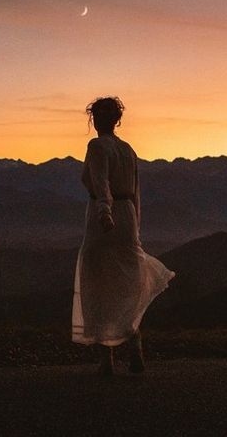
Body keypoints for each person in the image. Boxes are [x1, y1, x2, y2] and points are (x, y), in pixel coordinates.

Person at [71, 96, 176, 376]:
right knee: (127, 281)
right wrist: (134, 226)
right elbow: (135, 193)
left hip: (104, 217)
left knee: (100, 281)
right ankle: (135, 344)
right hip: (127, 216)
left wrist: (105, 212)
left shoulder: (96, 146)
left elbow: (100, 182)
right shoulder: (128, 150)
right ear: (117, 119)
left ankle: (107, 358)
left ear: (95, 119)